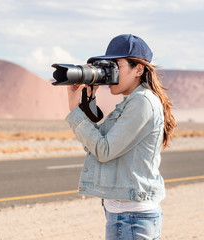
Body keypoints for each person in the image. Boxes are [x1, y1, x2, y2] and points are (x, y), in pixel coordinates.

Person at [65, 34, 176, 239]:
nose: (109, 73)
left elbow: (103, 151)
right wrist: (81, 101)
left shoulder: (142, 102)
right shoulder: (131, 101)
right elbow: (96, 146)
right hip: (124, 213)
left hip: (132, 216)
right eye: (106, 66)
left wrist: (75, 112)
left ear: (138, 69)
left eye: (115, 65)